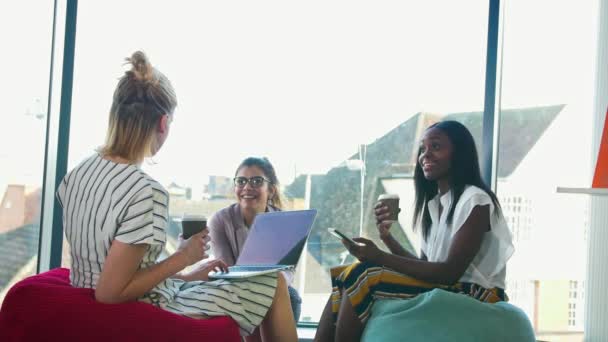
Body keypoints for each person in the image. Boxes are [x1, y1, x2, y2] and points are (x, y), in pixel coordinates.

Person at [56, 51, 297, 342]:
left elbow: (112, 265)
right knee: (274, 284)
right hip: (142, 307)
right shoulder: (146, 191)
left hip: (92, 292)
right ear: (163, 123)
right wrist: (183, 258)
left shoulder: (79, 172)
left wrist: (185, 274)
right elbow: (110, 292)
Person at [314, 120, 515, 342]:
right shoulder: (436, 205)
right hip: (451, 286)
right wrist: (387, 238)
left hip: (480, 295)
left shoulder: (476, 200)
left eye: (436, 147)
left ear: (459, 153)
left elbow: (449, 272)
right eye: (423, 149)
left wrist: (379, 257)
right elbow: (426, 268)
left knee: (363, 274)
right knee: (345, 275)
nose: (425, 155)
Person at [209, 157, 303, 322]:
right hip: (232, 287)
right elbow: (227, 269)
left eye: (256, 181)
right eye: (241, 181)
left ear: (271, 190)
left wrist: (270, 285)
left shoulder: (284, 221)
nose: (247, 187)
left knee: (292, 297)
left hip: (273, 287)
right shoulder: (220, 220)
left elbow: (287, 272)